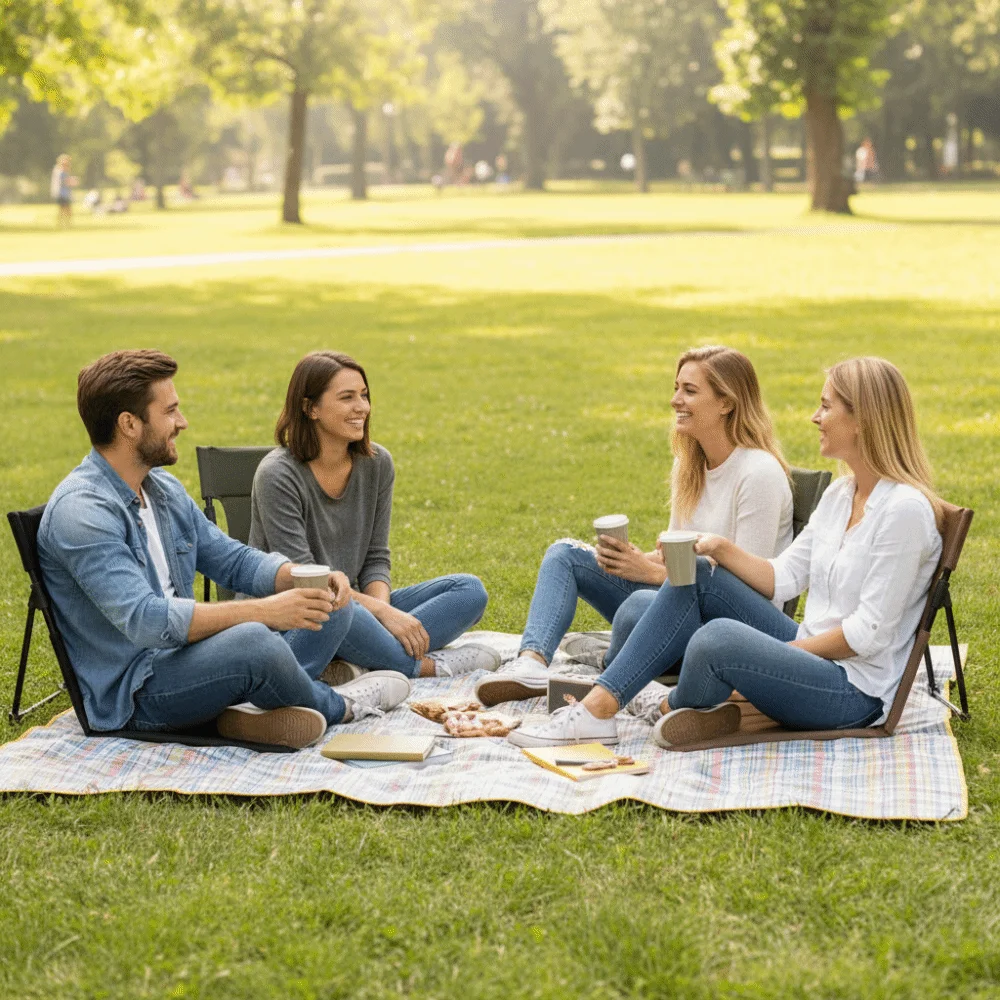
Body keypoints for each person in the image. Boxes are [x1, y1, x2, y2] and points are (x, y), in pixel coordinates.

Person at [509, 357, 942, 749]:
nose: (815, 417)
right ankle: (625, 705)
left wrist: (786, 652)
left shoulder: (903, 512)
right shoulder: (841, 494)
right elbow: (785, 576)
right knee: (695, 574)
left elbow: (869, 636)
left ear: (863, 419)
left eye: (827, 407)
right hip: (811, 652)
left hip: (853, 691)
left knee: (717, 640)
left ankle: (635, 706)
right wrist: (719, 548)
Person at [38, 351, 412, 750]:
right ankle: (339, 704)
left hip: (186, 656)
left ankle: (262, 706)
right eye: (170, 411)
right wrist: (265, 611)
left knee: (329, 606)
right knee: (253, 640)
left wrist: (296, 576)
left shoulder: (161, 490)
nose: (181, 423)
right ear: (129, 424)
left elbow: (230, 559)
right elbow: (147, 620)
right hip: (138, 691)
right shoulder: (83, 512)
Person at [480, 345, 794, 718]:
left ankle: (610, 671)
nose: (675, 399)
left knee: (635, 609)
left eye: (690, 391)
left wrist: (648, 573)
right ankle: (531, 664)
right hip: (676, 601)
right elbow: (676, 559)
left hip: (730, 625)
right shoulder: (690, 465)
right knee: (565, 554)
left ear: (726, 402)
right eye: (677, 387)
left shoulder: (758, 473)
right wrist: (631, 560)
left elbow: (747, 589)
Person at [249, 351, 499, 683]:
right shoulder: (277, 474)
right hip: (297, 619)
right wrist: (382, 613)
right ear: (311, 408)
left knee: (469, 590)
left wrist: (385, 614)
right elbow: (307, 583)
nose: (362, 407)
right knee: (338, 610)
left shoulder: (377, 463)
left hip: (356, 606)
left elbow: (376, 558)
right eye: (347, 397)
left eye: (364, 396)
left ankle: (359, 662)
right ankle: (419, 667)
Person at [50, 154, 76, 227]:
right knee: (63, 209)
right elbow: (62, 182)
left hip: (65, 193)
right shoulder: (60, 171)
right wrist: (71, 181)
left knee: (66, 209)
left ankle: (66, 223)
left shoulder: (63, 171)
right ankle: (62, 223)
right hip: (61, 193)